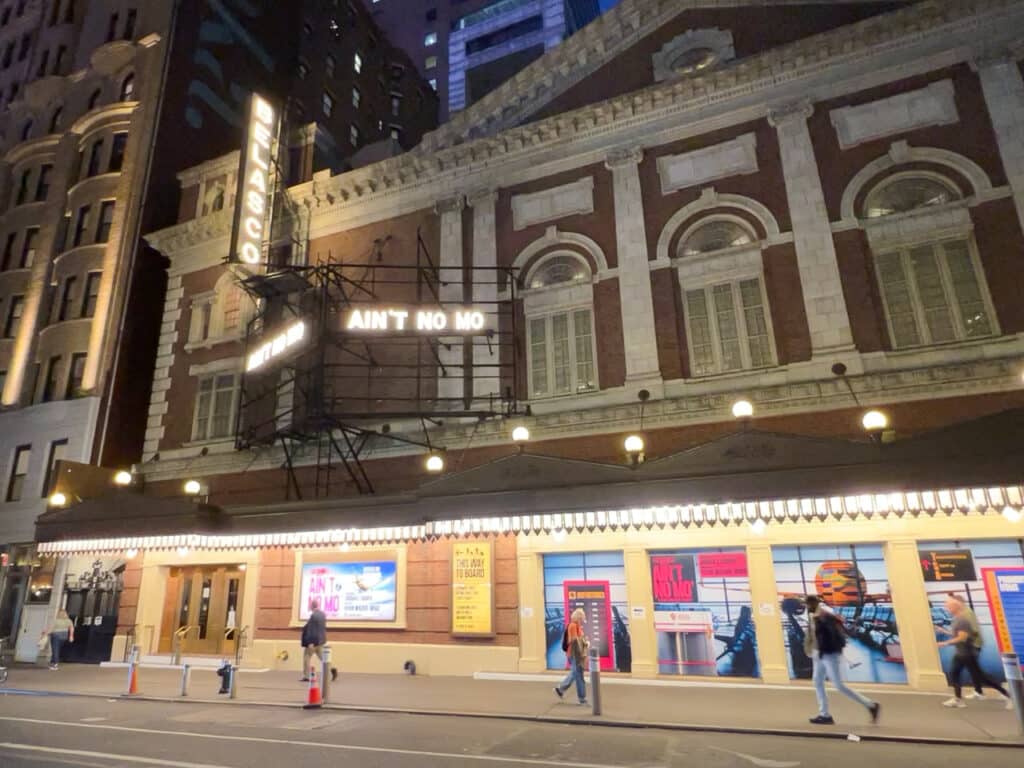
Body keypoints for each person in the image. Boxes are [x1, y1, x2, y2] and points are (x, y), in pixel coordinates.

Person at [804, 595, 880, 725]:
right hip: (819, 653)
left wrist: (824, 650)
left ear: (813, 603)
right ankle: (824, 714)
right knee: (817, 682)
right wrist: (811, 649)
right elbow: (812, 634)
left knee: (839, 685)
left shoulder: (824, 616)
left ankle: (871, 705)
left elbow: (832, 636)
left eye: (807, 604)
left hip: (828, 654)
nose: (806, 607)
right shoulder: (813, 616)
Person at [938, 595, 1012, 710]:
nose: (947, 609)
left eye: (948, 606)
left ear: (955, 607)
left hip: (966, 653)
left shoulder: (963, 619)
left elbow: (962, 637)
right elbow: (959, 635)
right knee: (957, 673)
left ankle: (1009, 695)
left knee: (980, 676)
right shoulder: (957, 619)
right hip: (962, 653)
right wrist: (944, 631)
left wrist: (945, 643)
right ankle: (958, 700)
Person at [553, 608, 590, 705]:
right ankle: (580, 697)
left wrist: (583, 640)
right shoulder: (573, 626)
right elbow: (573, 641)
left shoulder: (577, 626)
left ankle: (562, 690)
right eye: (582, 617)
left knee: (577, 674)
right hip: (574, 654)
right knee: (577, 674)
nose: (583, 619)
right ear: (579, 617)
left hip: (576, 654)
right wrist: (584, 643)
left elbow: (578, 639)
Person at [300, 598, 337, 682]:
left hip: (313, 642)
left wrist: (310, 642)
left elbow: (312, 629)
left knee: (307, 657)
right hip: (321, 641)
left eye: (310, 605)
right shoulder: (322, 614)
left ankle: (307, 676)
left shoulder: (314, 615)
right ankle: (332, 669)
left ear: (312, 606)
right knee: (323, 658)